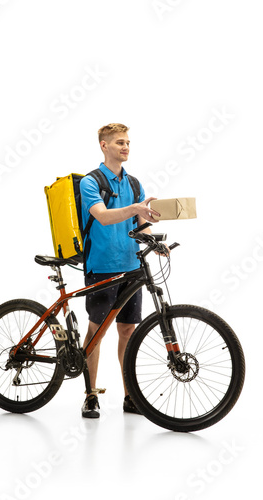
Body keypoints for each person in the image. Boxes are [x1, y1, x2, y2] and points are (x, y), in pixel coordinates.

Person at [79, 123, 161, 418]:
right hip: (102, 267)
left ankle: (130, 396)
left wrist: (153, 237)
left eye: (128, 142)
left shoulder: (134, 184)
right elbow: (101, 216)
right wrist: (136, 209)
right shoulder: (90, 183)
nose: (125, 147)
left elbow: (140, 223)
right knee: (97, 332)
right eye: (119, 142)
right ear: (104, 145)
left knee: (127, 330)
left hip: (130, 266)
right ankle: (90, 394)